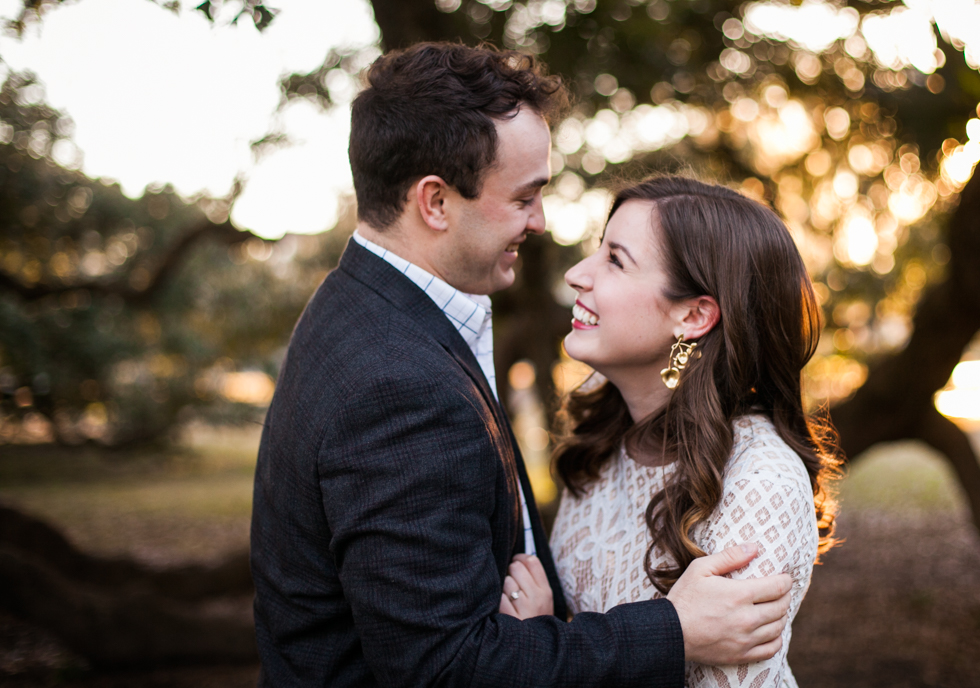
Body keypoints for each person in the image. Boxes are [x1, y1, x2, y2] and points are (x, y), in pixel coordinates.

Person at [250, 43, 795, 687]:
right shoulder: (397, 382)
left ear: (697, 314)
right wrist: (670, 632)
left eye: (616, 259)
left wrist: (547, 636)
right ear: (435, 202)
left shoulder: (358, 309)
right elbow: (447, 669)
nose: (540, 225)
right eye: (524, 197)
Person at [535, 177, 842, 688]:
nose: (577, 275)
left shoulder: (759, 482)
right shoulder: (601, 445)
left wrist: (538, 645)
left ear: (694, 315)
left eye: (615, 260)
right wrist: (547, 641)